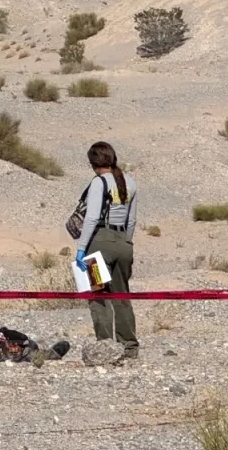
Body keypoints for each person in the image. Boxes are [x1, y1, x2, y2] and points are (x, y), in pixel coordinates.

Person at [72, 141, 138, 360]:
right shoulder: (130, 182)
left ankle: (105, 347)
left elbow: (91, 218)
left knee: (98, 295)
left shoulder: (98, 183)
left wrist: (81, 248)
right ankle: (129, 346)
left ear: (93, 163)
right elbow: (131, 221)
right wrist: (125, 243)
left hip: (99, 242)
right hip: (123, 243)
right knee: (122, 295)